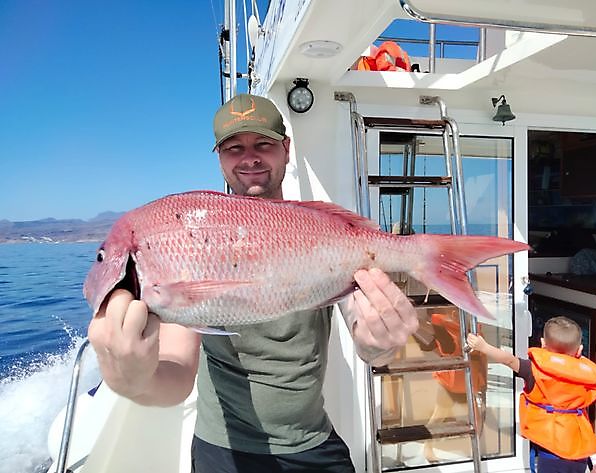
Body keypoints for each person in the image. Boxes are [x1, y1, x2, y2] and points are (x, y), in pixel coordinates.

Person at [87, 93, 420, 473]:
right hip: (222, 449)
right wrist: (131, 379)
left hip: (311, 442)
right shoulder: (191, 237)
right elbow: (178, 370)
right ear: (220, 158)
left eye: (263, 144)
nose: (250, 158)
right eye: (234, 148)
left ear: (286, 150)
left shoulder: (321, 231)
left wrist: (382, 345)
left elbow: (366, 337)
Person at [467, 316, 596, 473]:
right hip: (578, 454)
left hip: (550, 453)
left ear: (542, 344)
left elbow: (509, 360)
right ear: (579, 350)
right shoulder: (587, 381)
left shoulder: (533, 371)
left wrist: (484, 347)